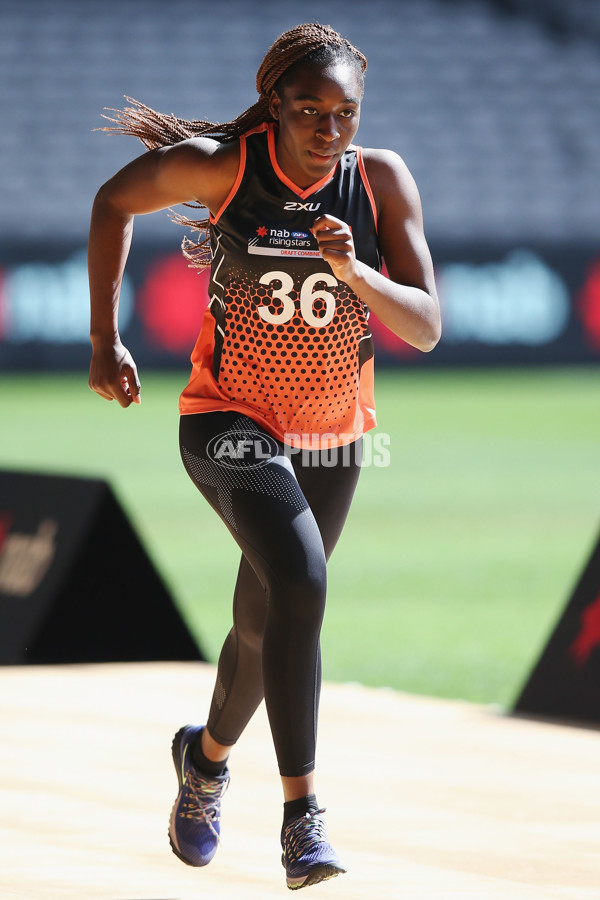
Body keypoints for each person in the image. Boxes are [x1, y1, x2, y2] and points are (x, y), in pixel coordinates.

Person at [88, 21, 440, 891]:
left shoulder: (380, 179)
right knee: (304, 583)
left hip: (333, 433)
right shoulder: (225, 165)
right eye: (311, 109)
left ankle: (203, 762)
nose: (329, 128)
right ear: (276, 104)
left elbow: (426, 327)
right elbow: (111, 203)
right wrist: (106, 339)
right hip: (228, 420)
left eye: (345, 112)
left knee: (264, 615)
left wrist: (361, 276)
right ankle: (302, 816)